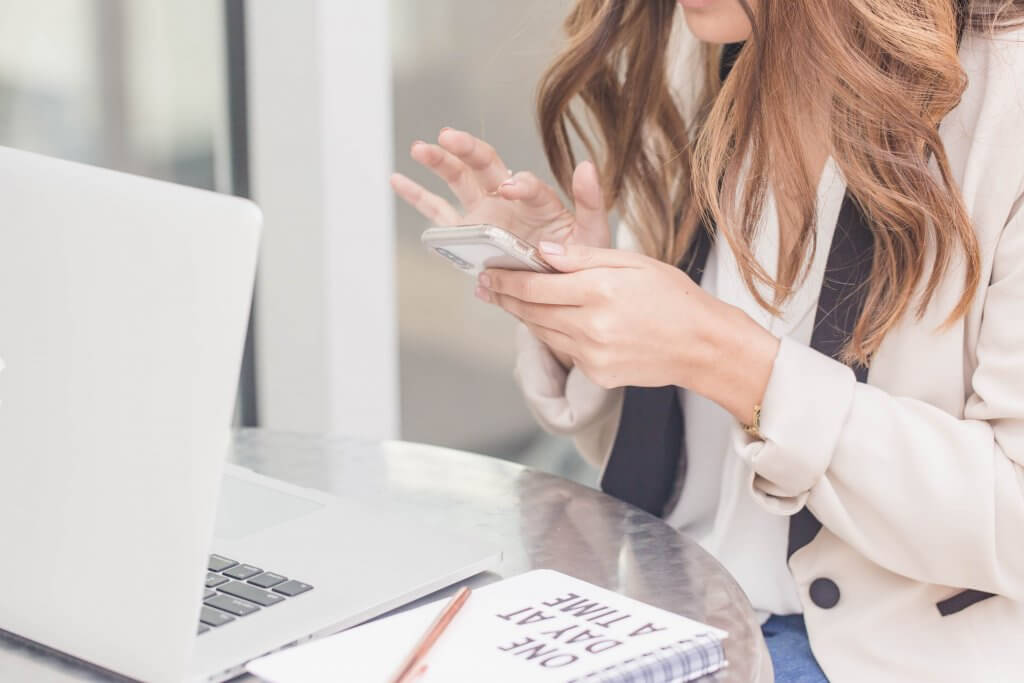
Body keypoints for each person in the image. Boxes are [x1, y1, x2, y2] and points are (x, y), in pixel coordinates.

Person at [391, 1, 1024, 680]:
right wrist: (580, 311)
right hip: (672, 610)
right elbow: (685, 474)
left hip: (872, 655)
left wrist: (731, 359)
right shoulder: (720, 60)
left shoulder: (1004, 111)